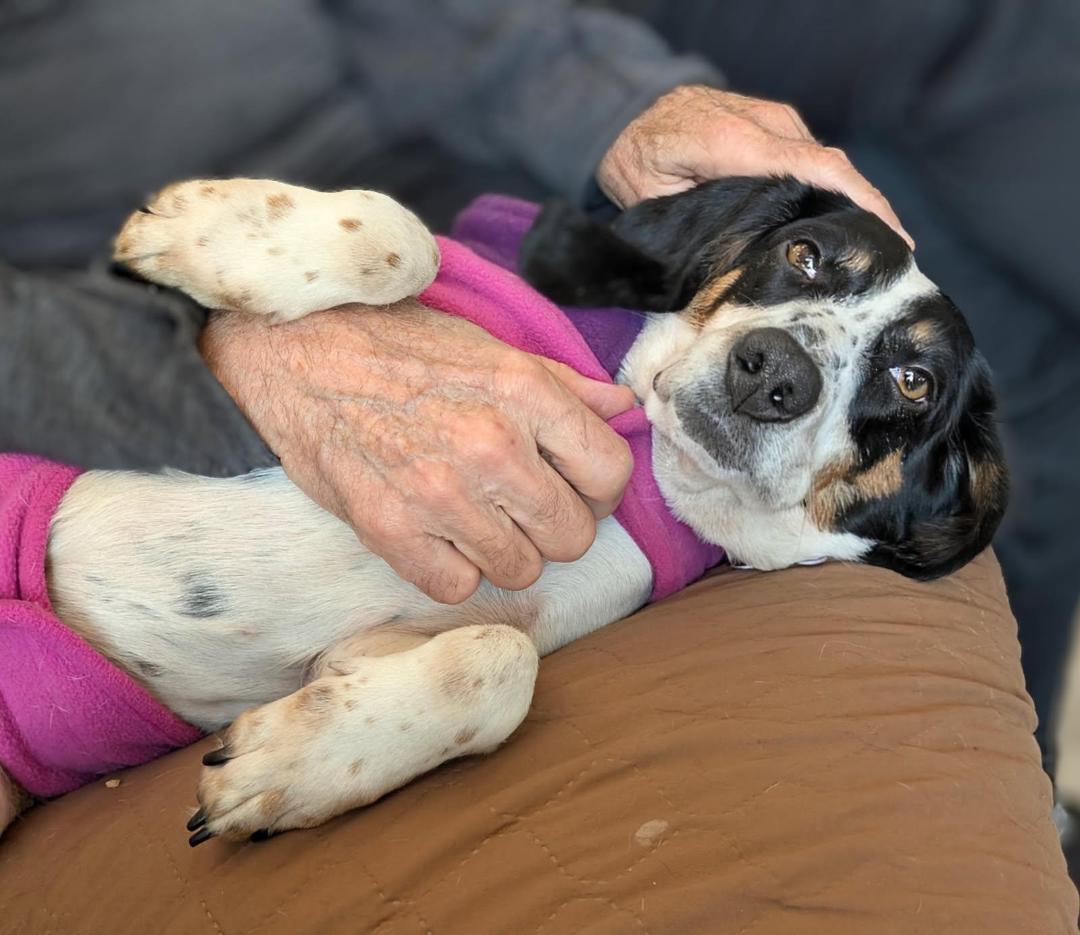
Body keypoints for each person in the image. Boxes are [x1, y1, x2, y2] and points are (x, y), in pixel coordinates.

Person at [1, 1, 1076, 774]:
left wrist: (616, 111)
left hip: (492, 161)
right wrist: (228, 334)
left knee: (999, 35)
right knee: (1030, 355)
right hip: (154, 284)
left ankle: (1017, 776)